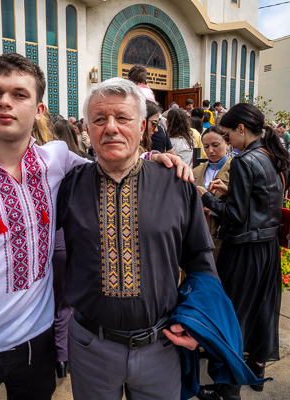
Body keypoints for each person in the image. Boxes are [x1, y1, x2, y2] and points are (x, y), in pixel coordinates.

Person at [0, 53, 190, 400]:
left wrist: (152, 157)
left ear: (39, 110)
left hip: (35, 341)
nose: (5, 103)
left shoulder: (55, 161)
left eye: (19, 94)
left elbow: (108, 160)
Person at [56, 78, 257, 400]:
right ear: (87, 129)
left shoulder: (176, 185)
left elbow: (200, 264)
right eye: (99, 119)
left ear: (142, 127)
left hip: (160, 346)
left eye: (122, 118)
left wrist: (195, 322)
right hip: (89, 346)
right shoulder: (68, 186)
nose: (110, 128)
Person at [197, 103, 290, 399]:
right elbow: (262, 203)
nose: (227, 142)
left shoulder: (244, 161)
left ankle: (229, 390)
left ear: (240, 129)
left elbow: (236, 216)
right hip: (268, 247)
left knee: (232, 317)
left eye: (226, 134)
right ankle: (257, 373)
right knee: (263, 311)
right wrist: (230, 192)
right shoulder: (273, 155)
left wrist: (207, 197)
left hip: (244, 251)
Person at [193, 126, 231, 262]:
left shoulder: (236, 170)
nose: (210, 151)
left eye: (215, 145)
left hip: (222, 237)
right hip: (196, 235)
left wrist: (213, 206)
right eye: (206, 146)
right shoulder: (196, 172)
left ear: (227, 143)